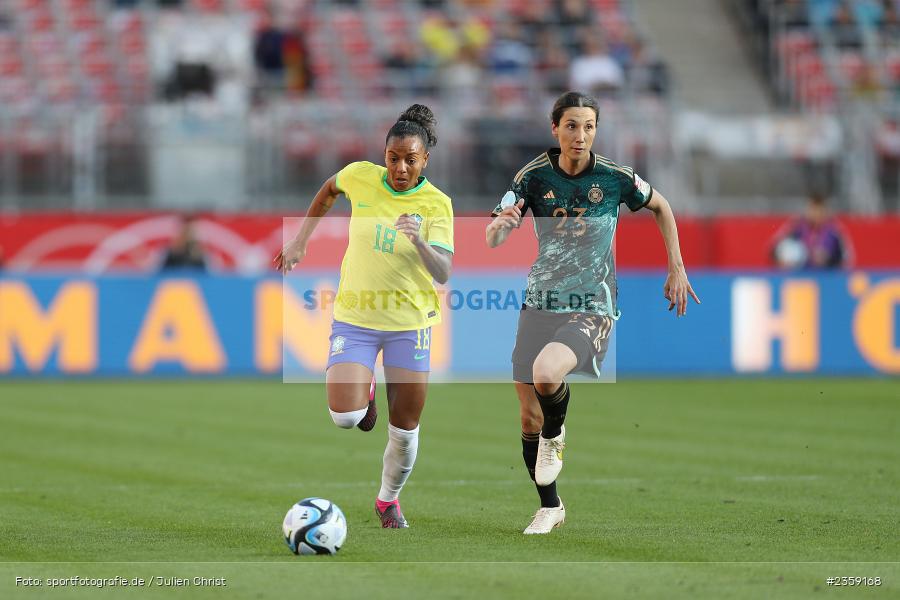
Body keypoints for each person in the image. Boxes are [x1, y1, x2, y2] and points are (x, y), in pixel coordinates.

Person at [485, 91, 699, 535]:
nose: (580, 135)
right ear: (555, 130)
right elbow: (494, 235)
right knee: (528, 417)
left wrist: (675, 265)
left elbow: (661, 205)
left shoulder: (615, 177)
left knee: (547, 374)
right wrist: (501, 227)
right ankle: (550, 506)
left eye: (588, 127)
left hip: (592, 303)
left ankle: (555, 435)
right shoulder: (532, 177)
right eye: (571, 126)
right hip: (539, 301)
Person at [276, 105, 454, 529]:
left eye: (411, 159)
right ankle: (367, 390)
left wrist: (418, 242)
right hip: (355, 318)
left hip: (410, 325)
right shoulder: (360, 175)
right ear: (384, 154)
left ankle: (387, 501)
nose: (400, 167)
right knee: (345, 417)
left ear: (425, 159)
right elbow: (327, 190)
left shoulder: (437, 204)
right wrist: (301, 240)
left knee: (405, 431)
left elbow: (443, 271)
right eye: (394, 158)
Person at [770, 194, 852, 269]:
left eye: (820, 210)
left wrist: (828, 259)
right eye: (813, 210)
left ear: (825, 211)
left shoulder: (834, 231)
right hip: (803, 276)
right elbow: (774, 249)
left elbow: (846, 258)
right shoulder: (797, 227)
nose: (816, 214)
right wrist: (782, 260)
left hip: (828, 277)